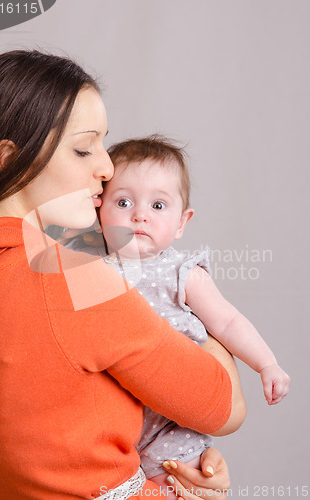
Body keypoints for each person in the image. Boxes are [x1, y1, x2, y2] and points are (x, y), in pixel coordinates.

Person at [0, 50, 245, 500]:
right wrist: (199, 305)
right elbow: (223, 407)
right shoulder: (74, 280)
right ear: (10, 157)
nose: (106, 168)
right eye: (84, 148)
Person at [83, 135, 290, 495]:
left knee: (179, 484)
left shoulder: (183, 273)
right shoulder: (87, 268)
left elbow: (227, 322)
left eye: (158, 205)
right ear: (99, 212)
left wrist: (266, 364)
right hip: (112, 420)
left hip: (172, 423)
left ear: (182, 222)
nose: (139, 214)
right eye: (123, 201)